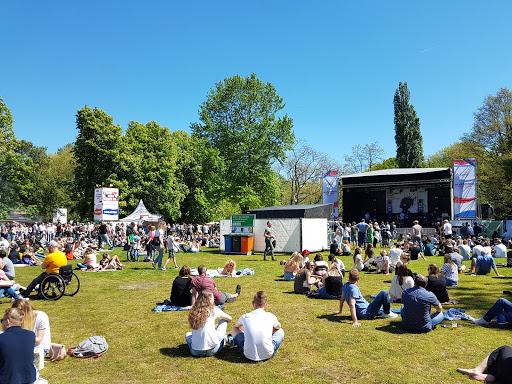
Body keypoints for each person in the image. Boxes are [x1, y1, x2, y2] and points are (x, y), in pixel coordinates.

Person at [231, 291, 285, 361]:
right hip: (267, 354)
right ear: (265, 305)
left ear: (253, 303)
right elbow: (278, 327)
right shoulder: (271, 316)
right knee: (280, 331)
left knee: (234, 329)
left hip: (248, 355)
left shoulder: (245, 316)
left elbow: (236, 326)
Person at [185, 290, 232, 357]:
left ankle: (200, 345)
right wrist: (218, 326)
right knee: (223, 320)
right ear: (209, 300)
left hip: (195, 352)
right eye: (213, 298)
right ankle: (225, 339)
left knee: (188, 335)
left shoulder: (193, 311)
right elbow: (229, 318)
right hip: (213, 350)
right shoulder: (214, 310)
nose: (214, 300)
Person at [0, 307, 37, 384]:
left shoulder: (1, 338)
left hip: (7, 380)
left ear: (7, 321)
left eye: (1, 321)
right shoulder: (31, 335)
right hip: (28, 379)